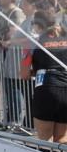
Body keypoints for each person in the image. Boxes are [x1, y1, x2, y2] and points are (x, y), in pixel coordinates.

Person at [21, 9, 67, 143]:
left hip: (46, 90)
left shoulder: (31, 42)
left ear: (37, 25)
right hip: (66, 89)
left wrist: (38, 70)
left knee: (44, 140)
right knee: (62, 140)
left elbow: (24, 74)